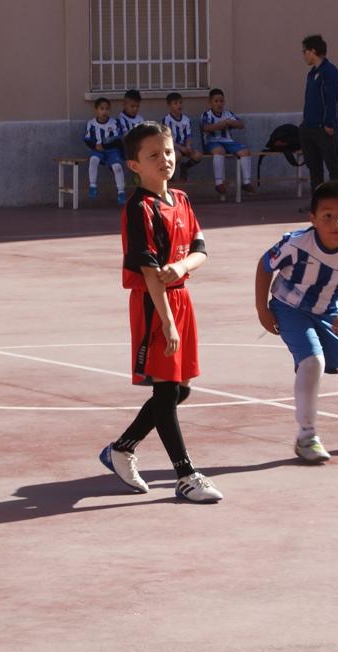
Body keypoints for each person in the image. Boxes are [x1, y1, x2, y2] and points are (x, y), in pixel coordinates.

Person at [99, 122, 223, 503]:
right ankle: (185, 474)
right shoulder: (140, 208)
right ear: (134, 165)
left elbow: (201, 249)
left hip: (181, 296)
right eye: (153, 155)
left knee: (180, 388)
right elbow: (150, 272)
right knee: (167, 389)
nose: (164, 160)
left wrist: (184, 267)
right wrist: (166, 321)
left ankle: (122, 448)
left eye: (167, 152)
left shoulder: (181, 200)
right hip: (156, 303)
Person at [255, 181, 338, 463]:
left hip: (331, 311)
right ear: (312, 219)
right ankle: (306, 436)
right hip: (290, 307)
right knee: (312, 361)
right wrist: (262, 309)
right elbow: (265, 266)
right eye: (327, 215)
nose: (336, 222)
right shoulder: (296, 243)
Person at [299, 34, 338, 193]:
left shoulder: (329, 72)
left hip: (323, 129)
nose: (303, 56)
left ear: (312, 51)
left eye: (304, 51)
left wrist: (329, 124)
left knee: (333, 166)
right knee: (314, 168)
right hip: (309, 128)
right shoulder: (312, 74)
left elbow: (332, 99)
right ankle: (317, 202)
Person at [200, 88, 254, 200]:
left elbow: (241, 124)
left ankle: (246, 182)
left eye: (221, 101)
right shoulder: (206, 115)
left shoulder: (228, 114)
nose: (219, 104)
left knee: (245, 152)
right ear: (210, 102)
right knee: (219, 151)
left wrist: (231, 123)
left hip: (228, 142)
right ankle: (219, 183)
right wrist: (221, 125)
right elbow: (205, 128)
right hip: (212, 142)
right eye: (216, 101)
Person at [84, 97, 126, 204]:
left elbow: (117, 139)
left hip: (112, 151)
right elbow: (87, 139)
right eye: (102, 109)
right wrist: (95, 146)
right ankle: (92, 185)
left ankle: (121, 192)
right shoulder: (91, 124)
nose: (104, 111)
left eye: (107, 109)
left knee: (117, 167)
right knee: (93, 159)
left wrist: (105, 146)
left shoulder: (114, 123)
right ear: (96, 110)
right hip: (98, 150)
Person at [163, 92, 202, 181]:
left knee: (198, 156)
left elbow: (188, 135)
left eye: (180, 102)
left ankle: (185, 167)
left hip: (184, 147)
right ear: (169, 106)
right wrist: (181, 148)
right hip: (172, 147)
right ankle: (170, 174)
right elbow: (167, 139)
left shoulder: (186, 119)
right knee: (177, 156)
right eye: (175, 103)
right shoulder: (166, 120)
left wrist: (188, 146)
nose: (179, 105)